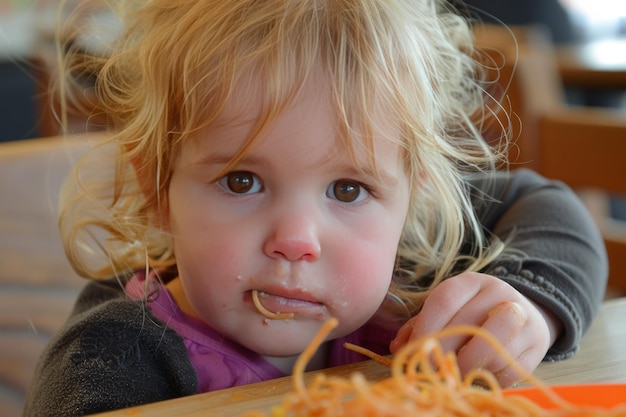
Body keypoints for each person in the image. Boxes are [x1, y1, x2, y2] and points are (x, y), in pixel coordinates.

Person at [24, 0, 607, 415]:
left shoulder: (408, 263)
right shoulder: (114, 356)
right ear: (157, 189)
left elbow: (544, 205)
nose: (297, 239)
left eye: (348, 190)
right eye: (242, 181)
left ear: (414, 198)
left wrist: (527, 304)